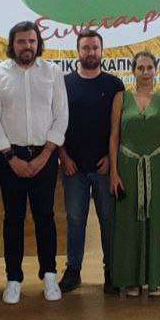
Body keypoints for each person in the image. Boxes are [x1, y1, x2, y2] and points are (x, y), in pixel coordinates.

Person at [0, 20, 68, 304]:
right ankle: (14, 279)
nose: (27, 46)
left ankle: (49, 275)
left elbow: (62, 115)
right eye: (21, 41)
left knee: (45, 217)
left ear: (38, 43)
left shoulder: (52, 72)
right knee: (13, 219)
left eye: (32, 41)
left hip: (45, 156)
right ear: (12, 44)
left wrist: (46, 155)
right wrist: (11, 158)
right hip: (11, 159)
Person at [109, 50, 160, 295]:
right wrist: (114, 172)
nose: (145, 72)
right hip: (128, 169)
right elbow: (114, 136)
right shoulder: (121, 98)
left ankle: (154, 278)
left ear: (155, 70)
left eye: (149, 67)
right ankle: (131, 279)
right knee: (130, 223)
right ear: (133, 71)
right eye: (140, 68)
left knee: (157, 221)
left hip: (158, 168)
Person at [60, 30, 125, 295]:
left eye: (95, 48)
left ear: (102, 51)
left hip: (104, 168)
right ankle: (73, 271)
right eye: (86, 48)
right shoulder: (64, 84)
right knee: (75, 220)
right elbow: (56, 124)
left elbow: (120, 127)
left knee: (109, 220)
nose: (91, 52)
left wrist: (111, 158)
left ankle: (112, 271)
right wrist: (63, 157)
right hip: (73, 167)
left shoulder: (114, 85)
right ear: (78, 51)